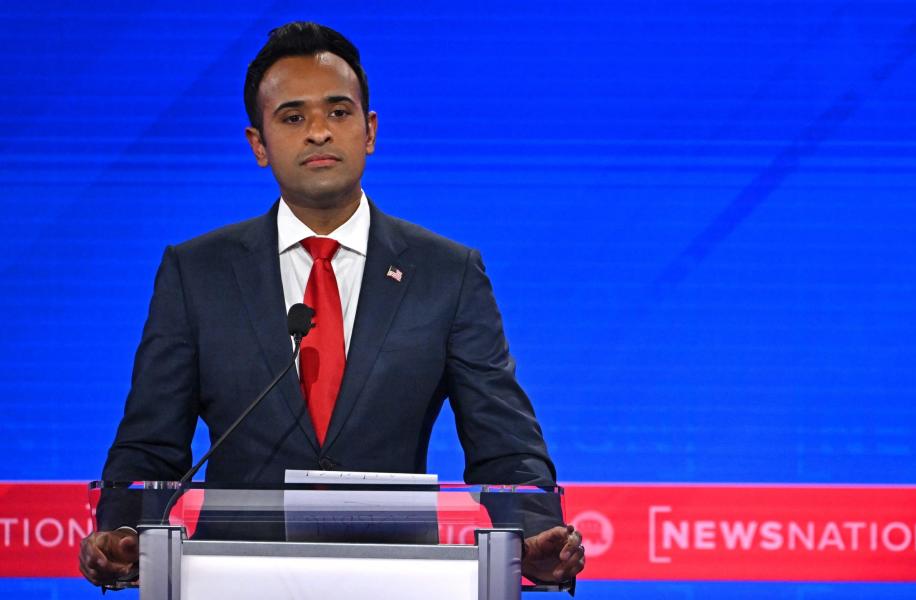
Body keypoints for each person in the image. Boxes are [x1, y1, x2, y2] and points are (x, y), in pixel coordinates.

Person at [79, 21, 584, 589]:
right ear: (259, 145)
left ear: (369, 131)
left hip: (396, 580)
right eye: (293, 118)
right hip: (233, 580)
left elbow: (505, 445)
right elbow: (150, 447)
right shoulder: (198, 273)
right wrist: (122, 529)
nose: (319, 131)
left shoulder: (447, 273)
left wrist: (536, 533)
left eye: (338, 113)